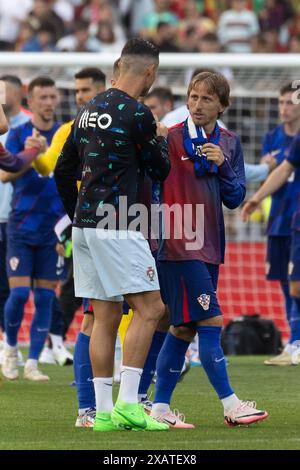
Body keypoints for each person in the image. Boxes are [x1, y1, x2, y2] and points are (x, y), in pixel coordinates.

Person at [54, 38, 171, 432]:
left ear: (120, 65)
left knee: (103, 316)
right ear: (150, 72)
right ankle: (129, 404)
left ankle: (102, 414)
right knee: (152, 309)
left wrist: (78, 214)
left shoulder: (87, 111)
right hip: (119, 223)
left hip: (86, 226)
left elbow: (62, 169)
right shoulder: (138, 114)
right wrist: (158, 136)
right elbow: (160, 169)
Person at [150, 71, 268, 428]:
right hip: (175, 244)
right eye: (193, 96)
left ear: (222, 105)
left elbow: (235, 199)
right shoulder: (168, 139)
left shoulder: (229, 143)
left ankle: (158, 409)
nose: (197, 104)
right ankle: (231, 404)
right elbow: (152, 189)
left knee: (182, 328)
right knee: (211, 320)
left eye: (206, 99)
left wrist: (223, 166)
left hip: (209, 246)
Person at [0, 76, 63, 382]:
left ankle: (34, 362)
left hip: (54, 228)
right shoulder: (18, 132)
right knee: (20, 292)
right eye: (43, 97)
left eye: (53, 96)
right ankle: (10, 349)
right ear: (31, 102)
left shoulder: (66, 135)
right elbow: (4, 175)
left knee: (46, 298)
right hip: (22, 224)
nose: (49, 102)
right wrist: (32, 154)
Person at [242, 131, 300, 366]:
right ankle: (294, 342)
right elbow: (285, 168)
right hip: (293, 221)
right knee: (294, 287)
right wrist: (257, 197)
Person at [254, 83, 300, 366]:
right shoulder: (272, 138)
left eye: (289, 102)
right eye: (281, 102)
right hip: (282, 219)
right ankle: (293, 340)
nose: (284, 108)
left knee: (296, 284)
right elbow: (274, 173)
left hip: (296, 217)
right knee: (288, 284)